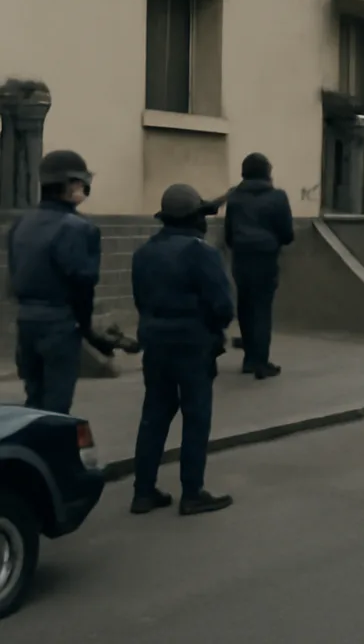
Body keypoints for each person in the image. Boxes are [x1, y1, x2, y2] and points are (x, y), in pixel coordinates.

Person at [130, 183, 235, 517]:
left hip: (156, 343)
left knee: (154, 416)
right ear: (195, 218)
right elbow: (222, 305)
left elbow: (140, 300)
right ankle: (192, 492)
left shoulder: (144, 252)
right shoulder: (201, 252)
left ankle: (143, 492)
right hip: (193, 344)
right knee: (196, 416)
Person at [7, 150, 102, 414]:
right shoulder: (78, 228)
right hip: (59, 324)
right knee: (57, 408)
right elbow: (83, 285)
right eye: (81, 183)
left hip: (26, 323)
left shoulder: (21, 224)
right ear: (71, 185)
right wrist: (87, 329)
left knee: (34, 402)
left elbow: (13, 279)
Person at [224, 153, 294, 379]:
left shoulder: (234, 198)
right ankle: (261, 363)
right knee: (262, 308)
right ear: (267, 172)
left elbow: (228, 233)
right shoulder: (277, 197)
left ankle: (249, 359)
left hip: (241, 257)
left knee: (245, 307)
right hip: (265, 257)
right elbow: (287, 233)